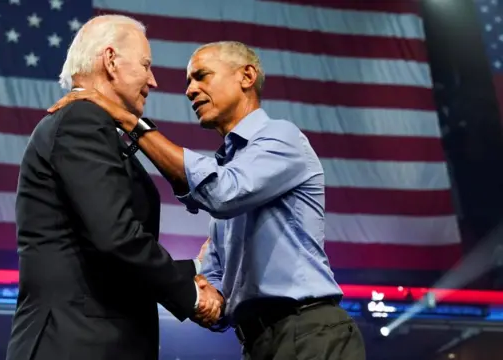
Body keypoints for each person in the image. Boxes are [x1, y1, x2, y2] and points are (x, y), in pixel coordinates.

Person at [48, 40, 367, 360]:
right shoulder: (231, 170)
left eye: (201, 76)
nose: (189, 90)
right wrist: (194, 293)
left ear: (246, 76)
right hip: (259, 343)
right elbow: (217, 293)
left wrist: (129, 121)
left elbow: (222, 193)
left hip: (310, 331)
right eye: (189, 81)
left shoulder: (282, 139)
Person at [5, 15, 223, 360]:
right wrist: (191, 294)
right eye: (146, 65)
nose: (152, 80)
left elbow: (105, 253)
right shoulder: (82, 120)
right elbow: (115, 237)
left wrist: (193, 271)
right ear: (110, 61)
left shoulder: (93, 125)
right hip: (76, 342)